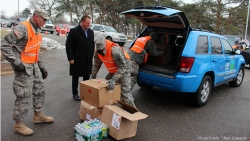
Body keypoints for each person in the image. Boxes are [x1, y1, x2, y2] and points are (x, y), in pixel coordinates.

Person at [1, 9, 54, 136]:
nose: (45, 22)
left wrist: (42, 67)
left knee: (39, 90)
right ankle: (18, 124)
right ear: (36, 17)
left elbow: (36, 50)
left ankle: (38, 115)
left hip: (34, 66)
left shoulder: (37, 30)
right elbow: (4, 44)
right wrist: (16, 63)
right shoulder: (23, 28)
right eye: (44, 19)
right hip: (23, 67)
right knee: (23, 95)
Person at [91, 33, 136, 107]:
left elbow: (123, 67)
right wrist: (93, 76)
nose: (101, 51)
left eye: (102, 49)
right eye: (99, 49)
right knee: (105, 87)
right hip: (113, 71)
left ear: (105, 43)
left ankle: (133, 114)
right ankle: (109, 108)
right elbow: (97, 65)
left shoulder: (115, 50)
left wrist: (114, 79)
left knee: (125, 93)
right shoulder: (98, 52)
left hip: (124, 69)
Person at [66, 15, 95, 101]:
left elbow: (92, 43)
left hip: (87, 59)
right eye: (87, 23)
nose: (89, 24)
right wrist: (70, 58)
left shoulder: (91, 32)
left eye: (89, 23)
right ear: (82, 22)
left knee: (87, 77)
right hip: (77, 59)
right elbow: (69, 45)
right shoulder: (74, 31)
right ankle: (75, 93)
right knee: (75, 77)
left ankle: (85, 93)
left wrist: (91, 52)